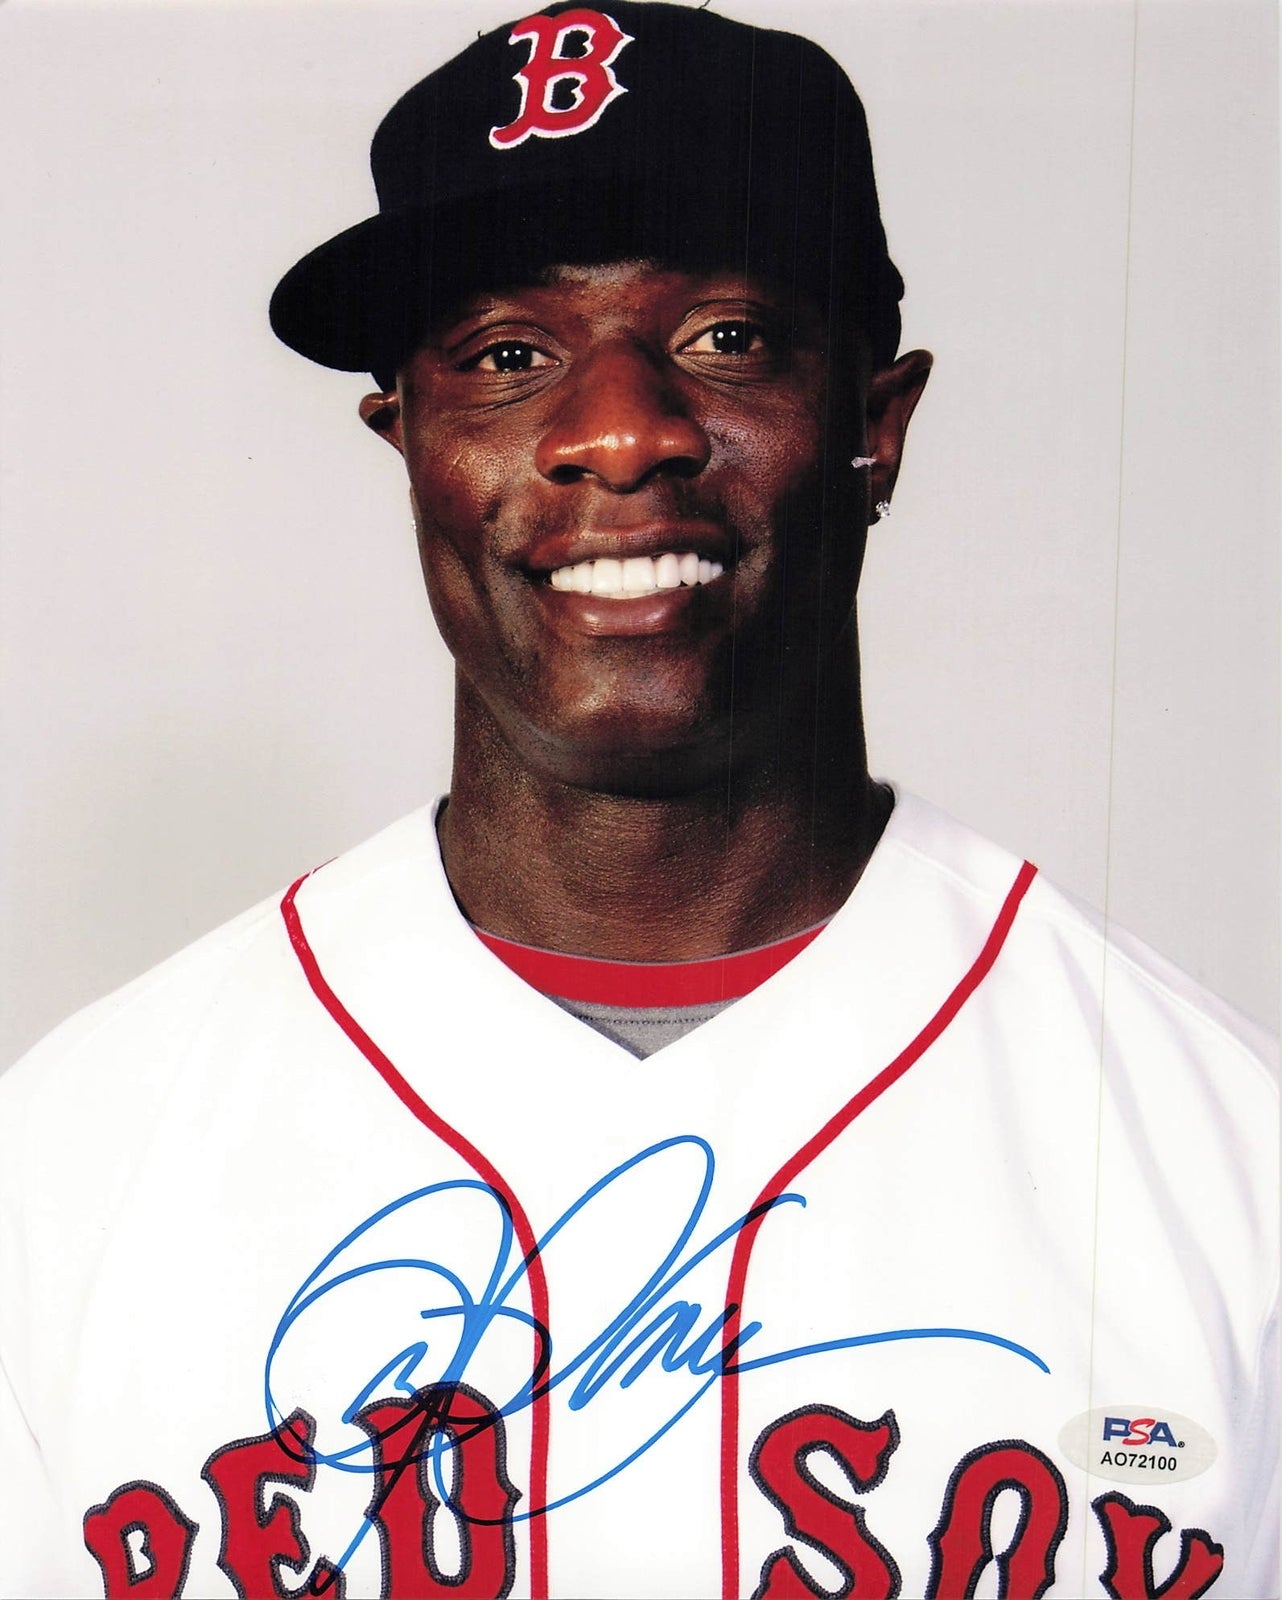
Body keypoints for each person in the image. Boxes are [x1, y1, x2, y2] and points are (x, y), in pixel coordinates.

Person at [0, 5, 1275, 1598]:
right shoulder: (76, 1157)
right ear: (410, 445)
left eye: (725, 339)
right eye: (505, 356)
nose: (618, 434)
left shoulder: (1223, 1157)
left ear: (874, 426)